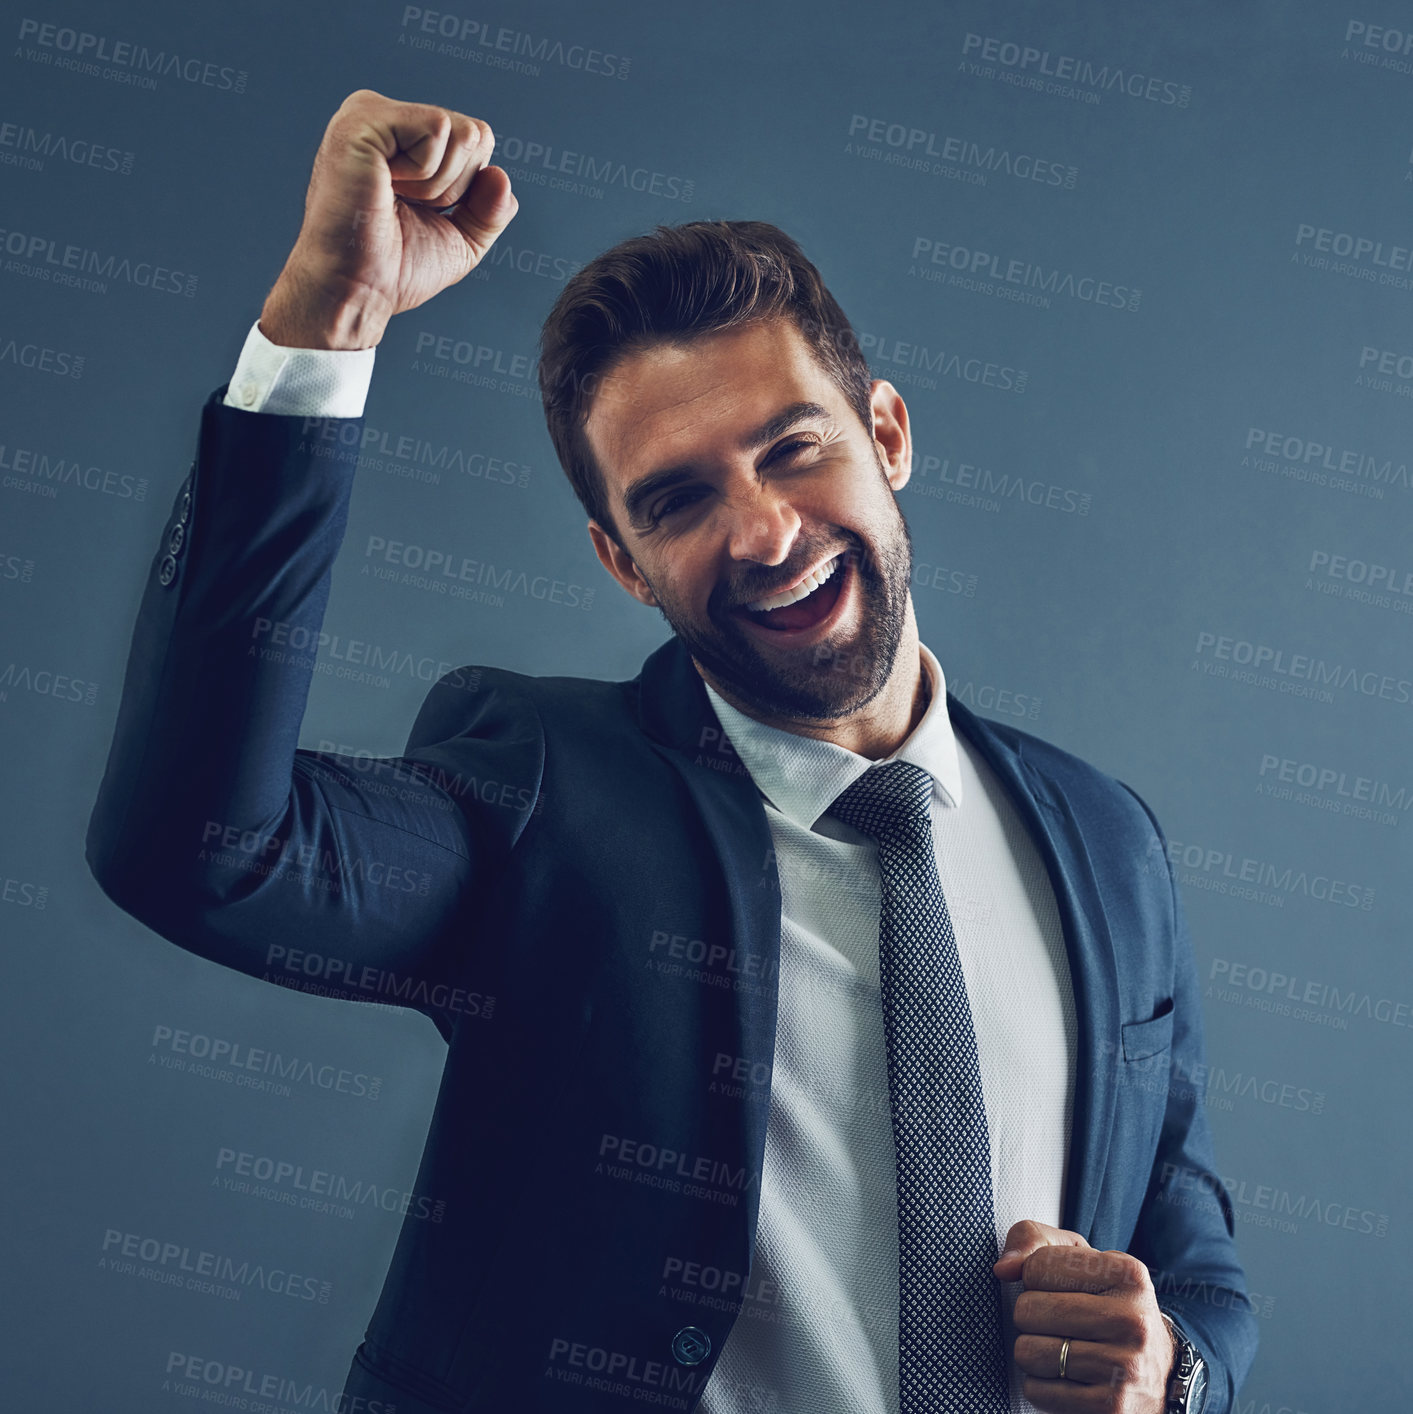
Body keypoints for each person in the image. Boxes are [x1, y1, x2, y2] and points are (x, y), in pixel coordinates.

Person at [86, 90, 1256, 1414]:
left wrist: (1173, 1373)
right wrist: (327, 320)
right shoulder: (544, 789)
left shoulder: (1106, 839)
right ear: (618, 560)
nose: (761, 533)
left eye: (791, 449)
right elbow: (201, 852)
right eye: (678, 498)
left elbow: (1191, 1245)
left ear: (886, 433)